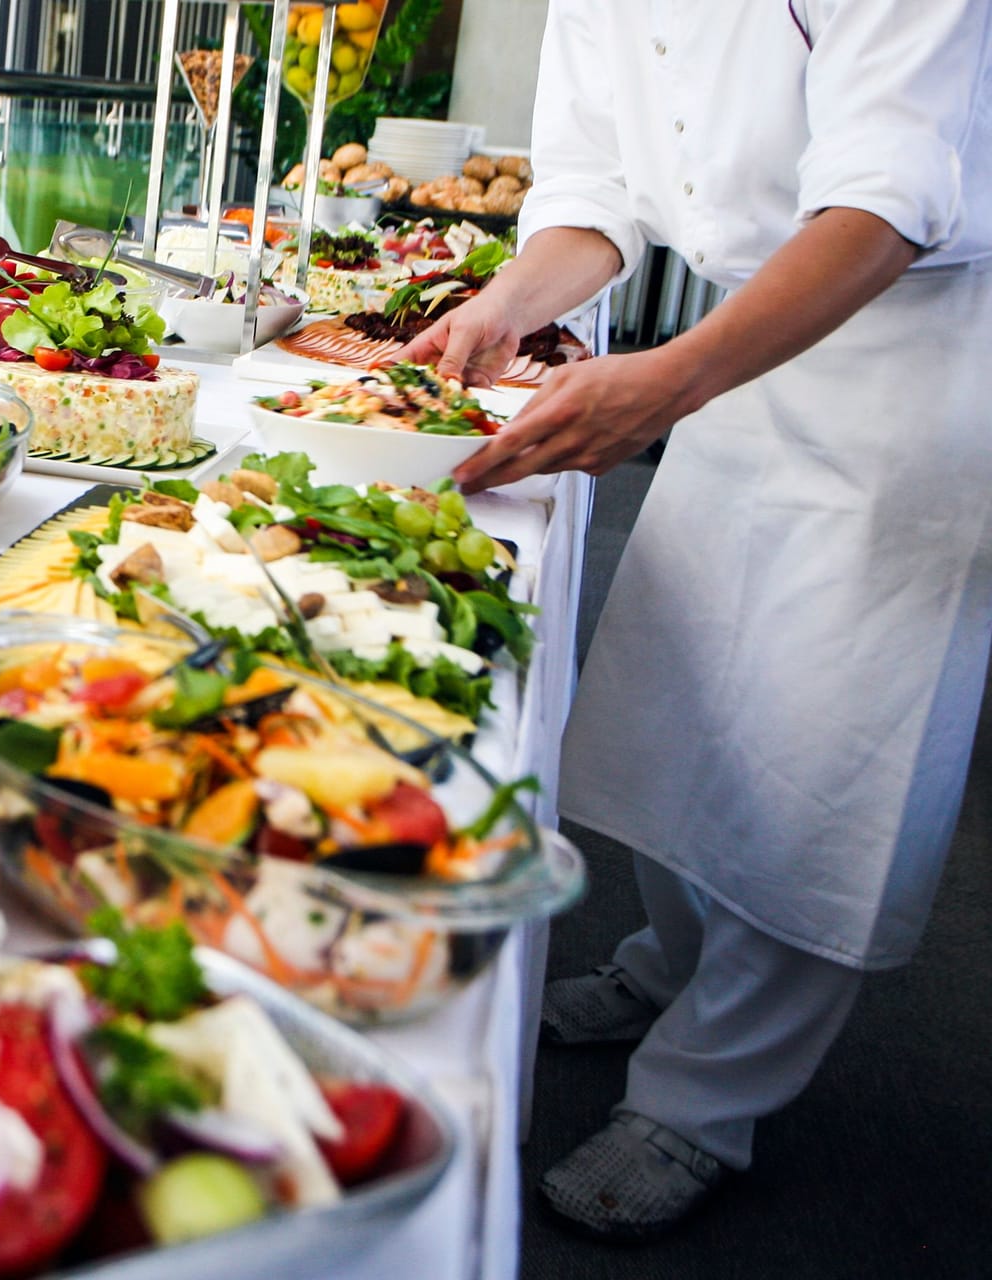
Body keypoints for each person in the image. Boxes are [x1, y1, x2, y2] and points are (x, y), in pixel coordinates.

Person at [396, 0, 992, 1241]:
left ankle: (704, 1101)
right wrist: (509, 300)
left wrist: (672, 380)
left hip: (914, 361)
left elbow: (886, 199)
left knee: (825, 760)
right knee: (687, 696)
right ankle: (667, 964)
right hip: (738, 353)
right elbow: (594, 185)